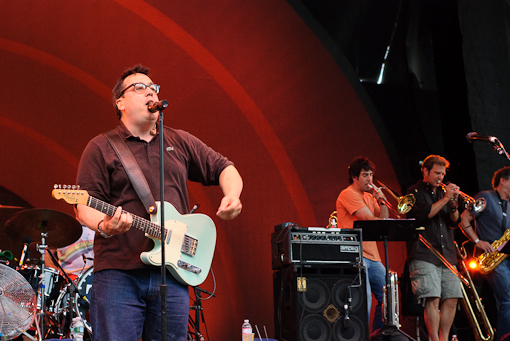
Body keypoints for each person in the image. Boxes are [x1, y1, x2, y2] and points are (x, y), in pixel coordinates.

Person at [75, 64, 243, 341]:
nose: (150, 91)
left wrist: (233, 195)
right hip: (119, 273)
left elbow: (224, 168)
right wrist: (106, 224)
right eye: (139, 88)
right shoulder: (101, 147)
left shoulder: (179, 140)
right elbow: (85, 206)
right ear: (120, 103)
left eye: (153, 87)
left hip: (173, 272)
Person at [405, 155, 463, 341]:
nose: (440, 177)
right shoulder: (414, 191)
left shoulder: (443, 193)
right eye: (437, 173)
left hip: (447, 253)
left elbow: (454, 223)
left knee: (453, 297)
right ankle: (434, 340)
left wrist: (453, 205)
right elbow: (425, 214)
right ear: (425, 171)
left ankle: (444, 338)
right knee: (433, 297)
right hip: (425, 253)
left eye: (443, 174)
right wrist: (447, 199)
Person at [336, 156, 389, 332]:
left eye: (371, 175)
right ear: (354, 177)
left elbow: (384, 220)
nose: (370, 179)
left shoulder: (368, 196)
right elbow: (369, 220)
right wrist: (379, 210)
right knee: (363, 299)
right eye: (365, 175)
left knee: (388, 296)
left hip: (373, 257)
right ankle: (361, 335)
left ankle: (378, 334)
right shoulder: (348, 194)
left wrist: (382, 201)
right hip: (356, 255)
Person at [459, 166, 510, 341]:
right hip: (489, 257)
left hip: (506, 255)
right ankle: (504, 337)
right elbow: (464, 219)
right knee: (508, 298)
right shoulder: (486, 197)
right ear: (502, 181)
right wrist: (477, 241)